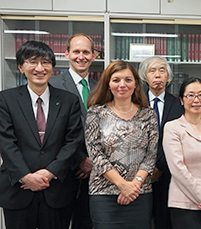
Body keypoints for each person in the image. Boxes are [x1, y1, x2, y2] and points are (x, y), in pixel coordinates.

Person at [0, 41, 83, 229]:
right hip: (18, 189)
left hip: (57, 189)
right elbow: (6, 142)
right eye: (32, 62)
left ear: (52, 67)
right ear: (21, 67)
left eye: (45, 62)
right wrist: (26, 176)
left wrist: (49, 172)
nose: (40, 68)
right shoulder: (6, 99)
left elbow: (72, 141)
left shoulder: (69, 101)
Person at [85, 60, 158, 229]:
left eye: (128, 80)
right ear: (108, 84)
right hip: (104, 194)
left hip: (139, 193)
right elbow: (95, 154)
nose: (122, 85)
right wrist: (122, 185)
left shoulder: (148, 114)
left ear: (136, 84)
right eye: (116, 80)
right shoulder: (95, 112)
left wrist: (134, 186)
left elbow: (151, 154)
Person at [163, 77, 201, 229]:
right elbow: (177, 168)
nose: (196, 100)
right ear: (181, 100)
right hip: (184, 204)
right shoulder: (172, 128)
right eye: (190, 95)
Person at [49, 33, 97, 229]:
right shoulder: (52, 85)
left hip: (95, 173)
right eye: (76, 51)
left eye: (86, 52)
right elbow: (53, 132)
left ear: (94, 56)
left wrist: (93, 161)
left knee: (86, 224)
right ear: (67, 53)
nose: (81, 56)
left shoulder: (100, 87)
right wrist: (79, 160)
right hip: (64, 172)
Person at [139, 56, 182, 229]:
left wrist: (160, 167)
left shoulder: (178, 104)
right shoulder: (136, 102)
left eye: (162, 70)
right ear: (145, 76)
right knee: (140, 221)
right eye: (152, 70)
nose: (157, 75)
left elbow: (178, 140)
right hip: (139, 174)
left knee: (165, 221)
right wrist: (147, 168)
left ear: (168, 77)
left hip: (168, 174)